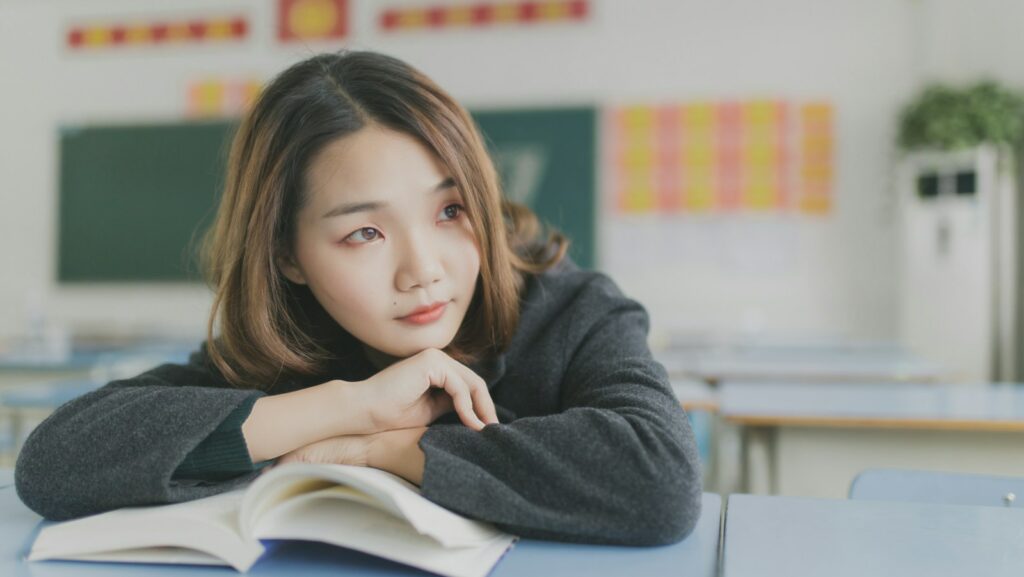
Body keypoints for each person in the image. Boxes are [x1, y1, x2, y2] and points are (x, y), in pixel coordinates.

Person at [15, 50, 702, 545]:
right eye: (366, 232)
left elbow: (661, 480)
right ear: (287, 253)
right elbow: (55, 461)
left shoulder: (570, 312)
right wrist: (347, 406)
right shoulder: (295, 344)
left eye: (450, 210)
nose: (424, 270)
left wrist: (385, 449)